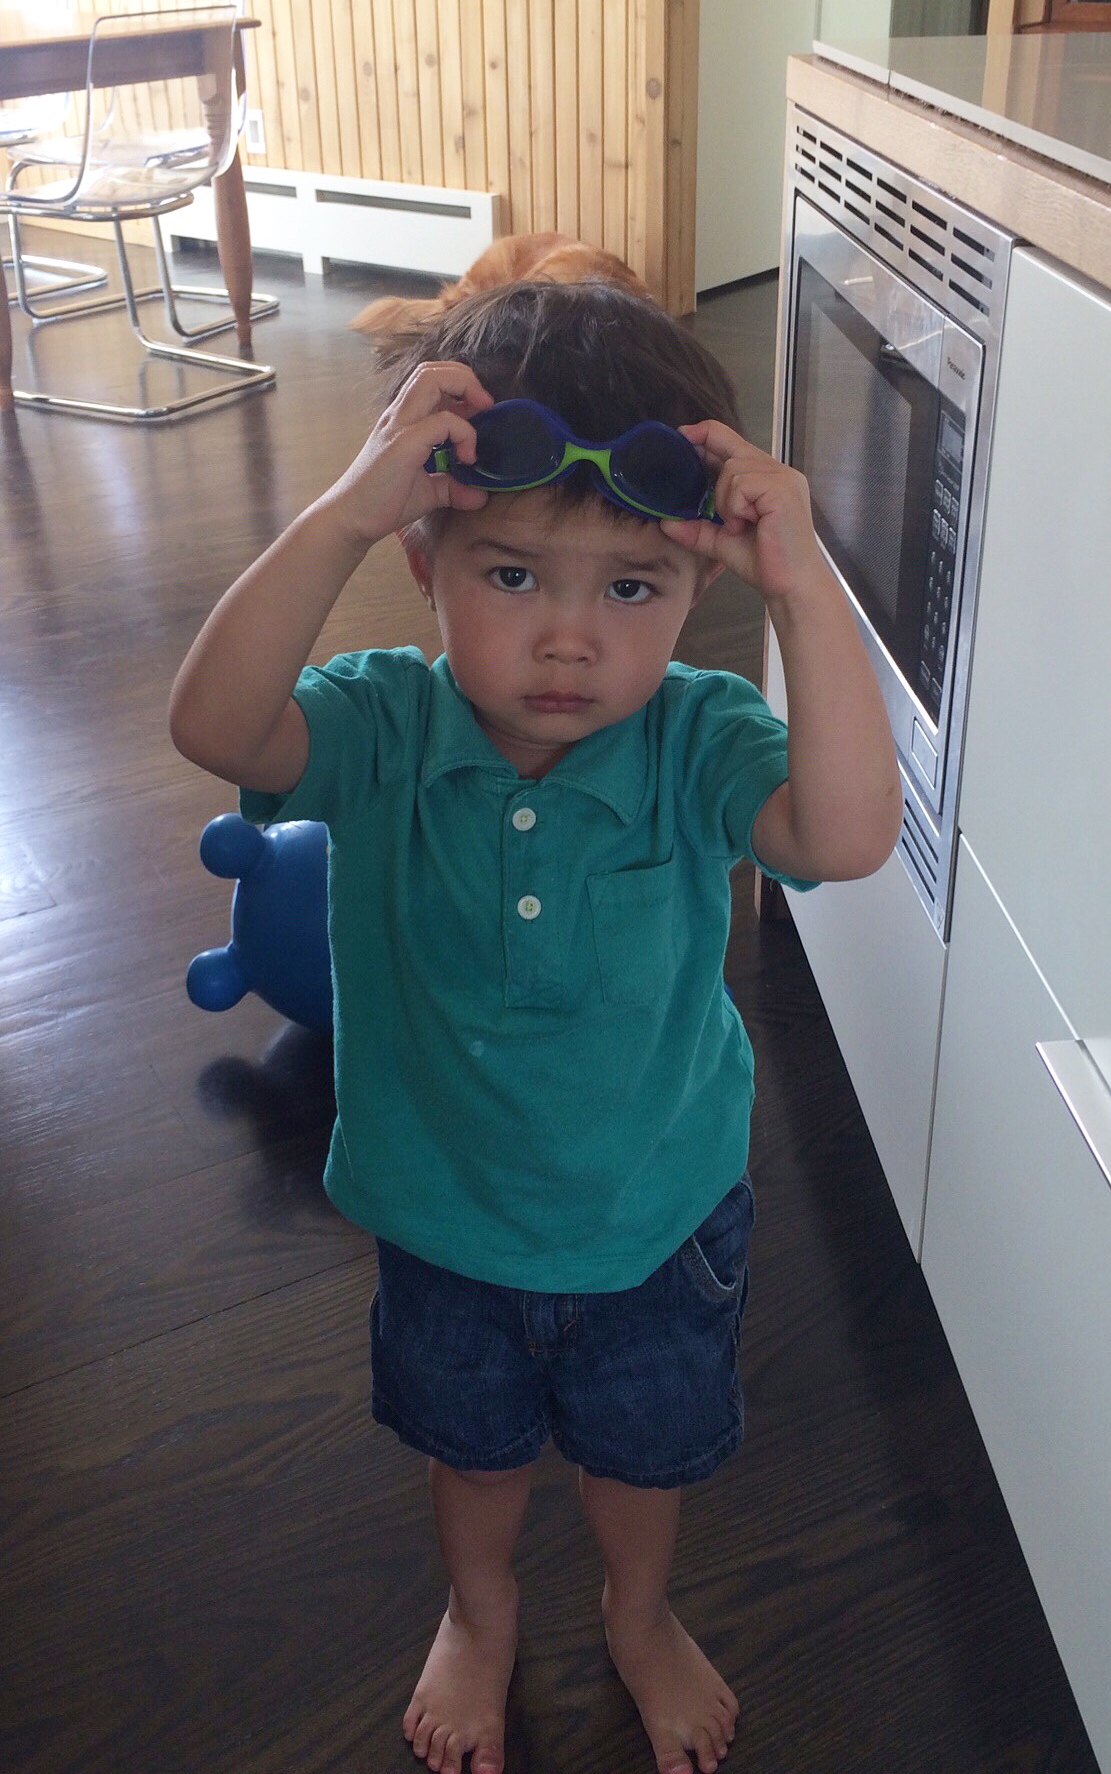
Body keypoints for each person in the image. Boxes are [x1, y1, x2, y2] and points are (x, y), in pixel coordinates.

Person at [169, 280, 901, 1774]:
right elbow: (217, 728)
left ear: (696, 586)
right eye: (512, 576)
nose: (569, 639)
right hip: (445, 1216)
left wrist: (807, 590)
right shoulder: (382, 724)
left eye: (631, 588)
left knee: (643, 1457)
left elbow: (844, 836)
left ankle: (639, 1612)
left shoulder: (698, 734)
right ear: (424, 557)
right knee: (476, 1452)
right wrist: (341, 514)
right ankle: (480, 1610)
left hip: (658, 1218)